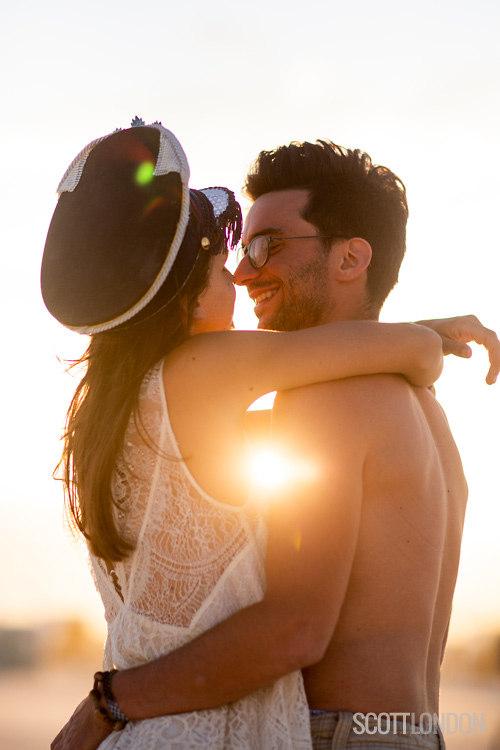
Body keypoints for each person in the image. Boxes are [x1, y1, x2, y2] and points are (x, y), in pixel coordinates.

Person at [49, 133, 499, 750]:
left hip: (328, 734)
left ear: (350, 259)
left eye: (268, 244)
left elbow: (293, 629)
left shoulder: (324, 402)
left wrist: (108, 704)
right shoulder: (422, 411)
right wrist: (428, 332)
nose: (244, 267)